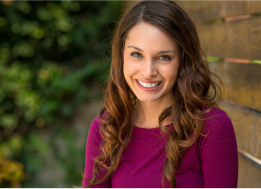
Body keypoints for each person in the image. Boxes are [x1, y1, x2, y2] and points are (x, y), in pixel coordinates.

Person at [82, 0, 238, 188]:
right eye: (137, 55)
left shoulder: (212, 128)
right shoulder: (106, 129)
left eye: (164, 57)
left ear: (183, 60)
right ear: (122, 55)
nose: (148, 72)